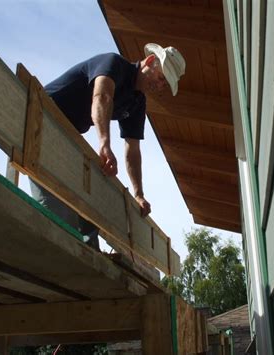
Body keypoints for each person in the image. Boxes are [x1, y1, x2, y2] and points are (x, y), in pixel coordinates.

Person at [30, 43, 186, 250]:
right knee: (56, 211)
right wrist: (104, 144)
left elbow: (133, 149)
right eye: (160, 78)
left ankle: (86, 257)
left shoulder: (137, 102)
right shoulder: (114, 64)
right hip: (41, 114)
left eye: (165, 85)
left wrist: (138, 194)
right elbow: (102, 97)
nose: (160, 87)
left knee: (88, 206)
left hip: (67, 136)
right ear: (149, 62)